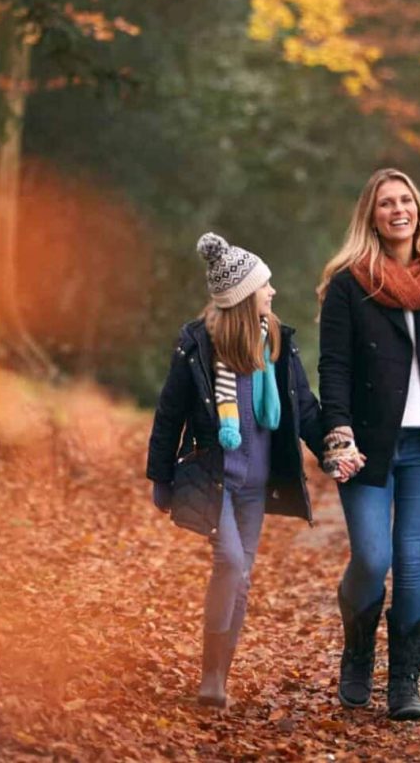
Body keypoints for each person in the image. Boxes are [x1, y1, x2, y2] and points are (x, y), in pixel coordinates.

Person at [316, 168, 420, 720]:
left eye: (406, 200)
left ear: (419, 208)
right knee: (372, 555)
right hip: (368, 444)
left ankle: (405, 685)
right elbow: (334, 365)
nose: (398, 210)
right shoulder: (349, 282)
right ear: (371, 214)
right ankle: (358, 652)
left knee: (412, 561)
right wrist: (337, 431)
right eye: (387, 203)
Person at [144, 233, 331, 710]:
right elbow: (170, 414)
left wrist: (333, 448)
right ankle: (210, 673)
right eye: (264, 287)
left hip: (257, 484)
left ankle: (217, 679)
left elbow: (304, 409)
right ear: (245, 297)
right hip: (216, 479)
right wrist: (160, 478)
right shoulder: (198, 348)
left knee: (241, 574)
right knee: (228, 561)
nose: (272, 293)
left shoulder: (277, 346)